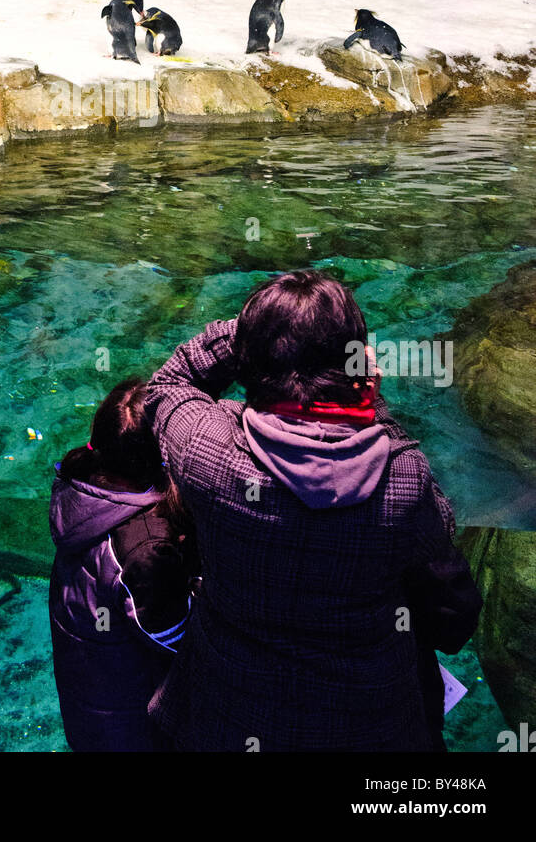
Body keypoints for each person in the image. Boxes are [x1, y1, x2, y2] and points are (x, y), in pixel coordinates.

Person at [142, 270, 482, 753]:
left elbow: (169, 383)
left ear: (252, 362)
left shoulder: (206, 449)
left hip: (228, 711)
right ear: (357, 366)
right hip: (364, 723)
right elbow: (447, 580)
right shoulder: (404, 479)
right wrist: (370, 403)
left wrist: (250, 334)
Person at [49, 378, 199, 752]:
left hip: (92, 717)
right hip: (135, 730)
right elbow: (176, 644)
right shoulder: (144, 547)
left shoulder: (78, 488)